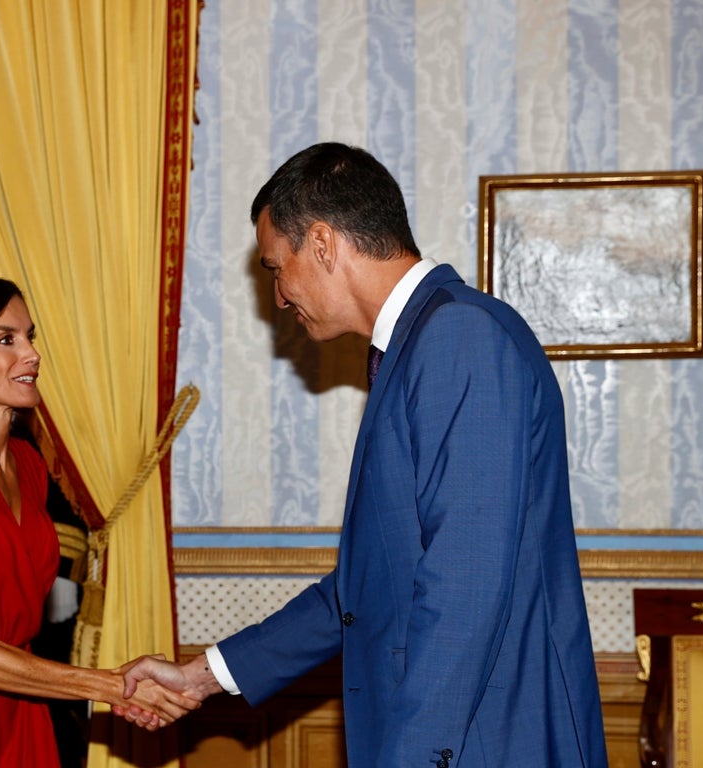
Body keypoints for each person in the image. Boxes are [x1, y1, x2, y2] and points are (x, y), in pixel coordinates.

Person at [121, 143, 607, 767]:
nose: (277, 297)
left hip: (487, 743)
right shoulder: (422, 344)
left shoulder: (459, 338)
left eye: (275, 267)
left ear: (321, 243)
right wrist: (203, 676)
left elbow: (465, 587)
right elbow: (363, 590)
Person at [0, 272, 197, 767]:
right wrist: (110, 685)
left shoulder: (28, 464)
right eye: (5, 339)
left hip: (26, 708)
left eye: (29, 337)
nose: (31, 354)